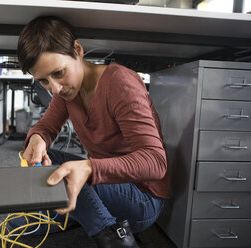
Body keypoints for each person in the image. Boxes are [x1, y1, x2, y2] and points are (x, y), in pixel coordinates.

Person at [13, 16, 169, 248]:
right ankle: (80, 212)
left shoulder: (120, 83)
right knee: (48, 161)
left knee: (66, 173)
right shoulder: (66, 91)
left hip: (142, 200)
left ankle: (115, 238)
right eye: (43, 81)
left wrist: (89, 167)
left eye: (58, 73)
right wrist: (37, 139)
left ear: (77, 49)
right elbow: (46, 127)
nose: (55, 88)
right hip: (107, 187)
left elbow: (156, 162)